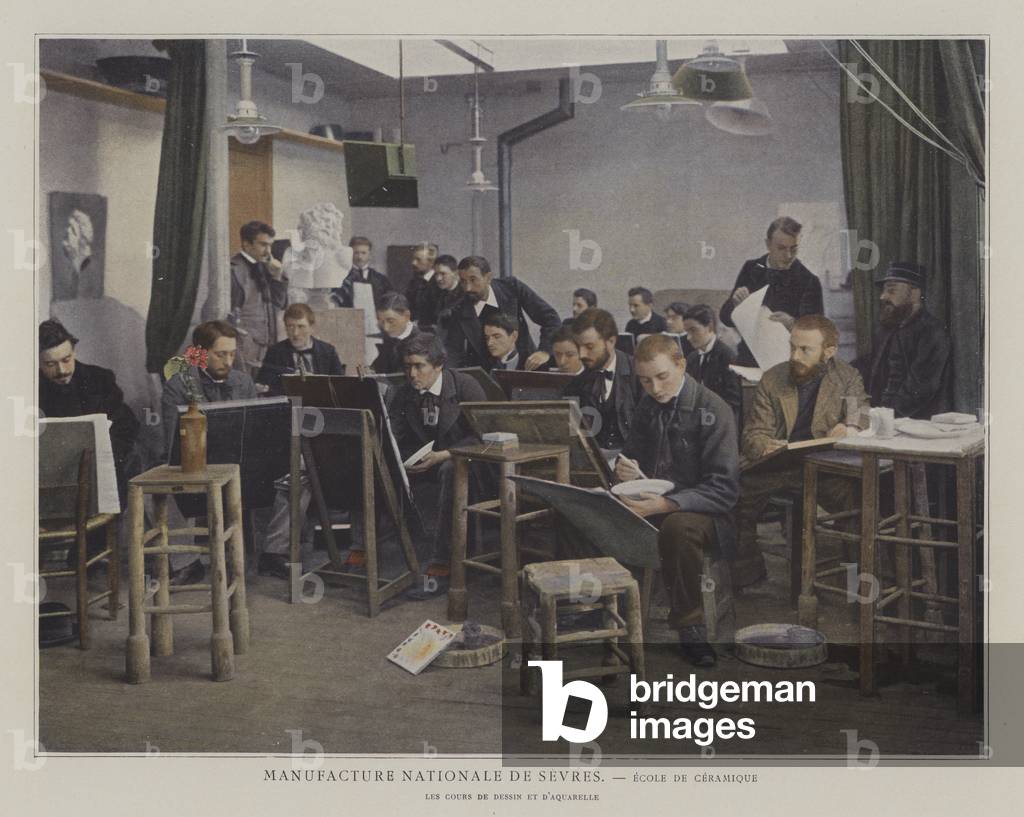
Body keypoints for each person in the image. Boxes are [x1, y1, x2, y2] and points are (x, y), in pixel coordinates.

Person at [615, 334, 739, 667]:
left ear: (681, 364)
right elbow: (632, 456)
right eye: (644, 381)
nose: (654, 388)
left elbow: (724, 489)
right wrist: (624, 469)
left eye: (661, 376)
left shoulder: (715, 409)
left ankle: (691, 627)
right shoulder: (648, 404)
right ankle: (595, 613)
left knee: (677, 528)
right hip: (653, 502)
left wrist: (666, 504)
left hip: (708, 512)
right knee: (588, 510)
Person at [735, 315, 864, 588]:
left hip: (824, 468)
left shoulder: (847, 376)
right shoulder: (773, 378)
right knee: (731, 494)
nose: (795, 355)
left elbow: (860, 412)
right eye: (792, 347)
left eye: (805, 349)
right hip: (779, 465)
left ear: (828, 352)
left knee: (856, 505)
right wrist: (766, 444)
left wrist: (849, 424)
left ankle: (857, 589)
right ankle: (748, 571)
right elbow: (753, 434)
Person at [386, 333, 486, 594]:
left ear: (439, 364)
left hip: (473, 466)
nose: (412, 373)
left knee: (450, 470)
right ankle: (376, 557)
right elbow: (394, 436)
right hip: (426, 465)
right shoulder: (404, 394)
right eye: (407, 366)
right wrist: (403, 459)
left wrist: (444, 455)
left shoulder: (466, 386)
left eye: (419, 366)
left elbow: (484, 436)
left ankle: (442, 567)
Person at [161, 320, 257, 584]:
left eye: (232, 354)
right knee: (165, 493)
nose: (228, 361)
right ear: (201, 353)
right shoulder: (178, 386)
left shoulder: (243, 382)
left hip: (238, 466)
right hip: (196, 467)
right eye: (220, 354)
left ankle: (268, 554)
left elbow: (255, 433)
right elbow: (172, 441)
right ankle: (187, 563)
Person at [38, 319, 140, 500]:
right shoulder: (28, 388)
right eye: (51, 364)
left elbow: (125, 428)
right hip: (48, 484)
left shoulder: (100, 380)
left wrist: (99, 461)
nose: (62, 370)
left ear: (74, 352)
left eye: (66, 360)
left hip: (98, 477)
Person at [720, 216, 824, 367]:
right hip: (749, 362)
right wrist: (735, 304)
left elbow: (817, 333)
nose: (788, 256)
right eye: (781, 248)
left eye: (793, 248)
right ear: (768, 244)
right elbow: (725, 318)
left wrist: (792, 324)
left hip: (789, 364)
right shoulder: (751, 268)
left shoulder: (809, 281)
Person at [860, 262, 951, 419]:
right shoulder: (885, 329)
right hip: (880, 418)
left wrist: (881, 418)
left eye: (891, 290)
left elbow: (920, 389)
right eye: (883, 291)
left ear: (915, 293)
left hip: (917, 425)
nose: (883, 296)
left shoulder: (931, 332)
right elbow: (869, 367)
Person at [442, 255, 562, 371]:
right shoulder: (457, 307)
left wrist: (545, 351)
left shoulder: (512, 287)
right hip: (484, 378)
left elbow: (550, 319)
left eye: (473, 280)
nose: (467, 288)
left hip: (526, 369)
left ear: (488, 278)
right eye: (463, 281)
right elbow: (453, 352)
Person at [562, 308, 643, 452]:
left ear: (611, 341)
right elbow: (573, 435)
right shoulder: (576, 384)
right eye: (578, 347)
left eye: (589, 347)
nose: (581, 355)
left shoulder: (641, 375)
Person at [230, 220, 288, 377]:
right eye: (263, 245)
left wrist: (277, 277)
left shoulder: (268, 267)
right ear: (246, 244)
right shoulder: (232, 270)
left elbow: (278, 305)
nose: (269, 251)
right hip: (244, 350)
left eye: (270, 245)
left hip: (268, 348)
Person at [257, 303, 344, 396]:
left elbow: (339, 385)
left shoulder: (327, 351)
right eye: (290, 326)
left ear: (312, 327)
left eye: (301, 326)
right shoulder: (275, 351)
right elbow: (263, 382)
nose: (295, 333)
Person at [683, 304, 742, 426]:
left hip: (721, 421)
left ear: (709, 326)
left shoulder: (727, 357)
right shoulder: (692, 358)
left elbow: (734, 401)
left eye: (693, 330)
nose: (688, 337)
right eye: (686, 332)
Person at [329, 236, 394, 309]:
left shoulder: (381, 280)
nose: (359, 257)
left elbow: (389, 302)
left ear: (370, 254)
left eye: (363, 253)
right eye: (356, 253)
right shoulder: (341, 279)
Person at [371, 292, 419, 374]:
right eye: (381, 321)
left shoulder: (422, 342)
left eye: (390, 321)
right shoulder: (390, 339)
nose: (386, 328)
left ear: (406, 316)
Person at [405, 242, 442, 328]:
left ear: (431, 262)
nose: (413, 263)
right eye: (413, 259)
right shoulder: (413, 283)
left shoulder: (439, 284)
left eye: (418, 260)